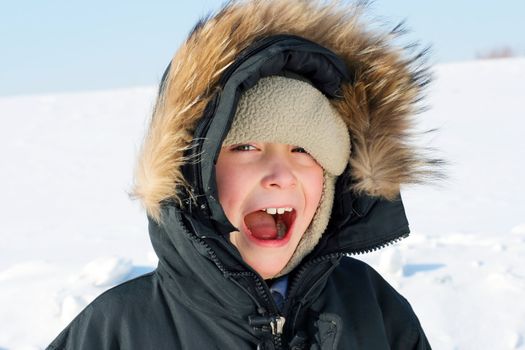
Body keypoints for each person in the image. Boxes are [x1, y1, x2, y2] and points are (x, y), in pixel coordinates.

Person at [47, 1, 439, 349]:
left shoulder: (372, 307)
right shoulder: (117, 330)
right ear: (194, 177)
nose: (281, 175)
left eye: (304, 151)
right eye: (246, 148)